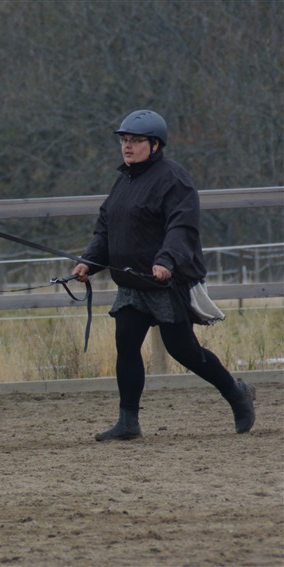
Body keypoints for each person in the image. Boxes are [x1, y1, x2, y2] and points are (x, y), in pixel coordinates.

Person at [72, 109, 256, 441]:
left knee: (184, 351)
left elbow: (181, 228)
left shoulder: (175, 180)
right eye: (124, 140)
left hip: (163, 282)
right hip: (131, 283)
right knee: (126, 345)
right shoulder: (124, 181)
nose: (127, 147)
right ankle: (128, 422)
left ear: (155, 145)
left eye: (135, 141)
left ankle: (236, 392)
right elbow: (106, 229)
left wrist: (165, 261)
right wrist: (89, 262)